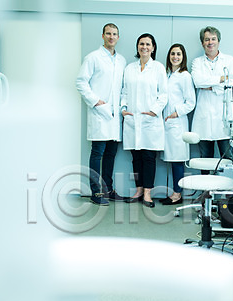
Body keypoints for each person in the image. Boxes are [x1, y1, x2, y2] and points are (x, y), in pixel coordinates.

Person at [76, 23, 129, 206]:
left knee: (111, 154)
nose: (111, 37)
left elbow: (122, 87)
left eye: (114, 34)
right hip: (99, 113)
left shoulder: (121, 60)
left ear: (118, 37)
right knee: (97, 153)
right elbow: (81, 82)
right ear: (103, 36)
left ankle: (108, 189)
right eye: (108, 33)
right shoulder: (93, 57)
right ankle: (95, 192)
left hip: (115, 116)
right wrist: (96, 101)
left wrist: (122, 107)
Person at [120, 33, 168, 208]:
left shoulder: (158, 68)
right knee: (136, 157)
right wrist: (123, 108)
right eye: (142, 44)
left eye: (148, 44)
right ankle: (138, 190)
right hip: (132, 120)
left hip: (150, 121)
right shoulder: (129, 68)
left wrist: (153, 111)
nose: (144, 47)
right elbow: (124, 91)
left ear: (153, 48)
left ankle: (148, 193)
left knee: (148, 157)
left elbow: (164, 94)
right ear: (137, 47)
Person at [191, 26, 233, 164]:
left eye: (213, 39)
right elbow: (198, 81)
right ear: (202, 43)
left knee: (228, 160)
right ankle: (206, 181)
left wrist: (210, 86)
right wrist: (222, 79)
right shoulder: (197, 62)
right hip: (204, 119)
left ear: (218, 41)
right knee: (205, 160)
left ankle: (225, 181)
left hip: (224, 118)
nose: (210, 42)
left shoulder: (230, 60)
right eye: (207, 40)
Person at [160, 43, 196, 206]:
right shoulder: (167, 74)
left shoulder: (185, 76)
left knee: (177, 160)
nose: (175, 57)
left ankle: (177, 194)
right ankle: (174, 192)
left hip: (177, 123)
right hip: (166, 123)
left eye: (179, 54)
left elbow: (191, 102)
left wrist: (176, 112)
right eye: (173, 54)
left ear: (183, 57)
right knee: (171, 159)